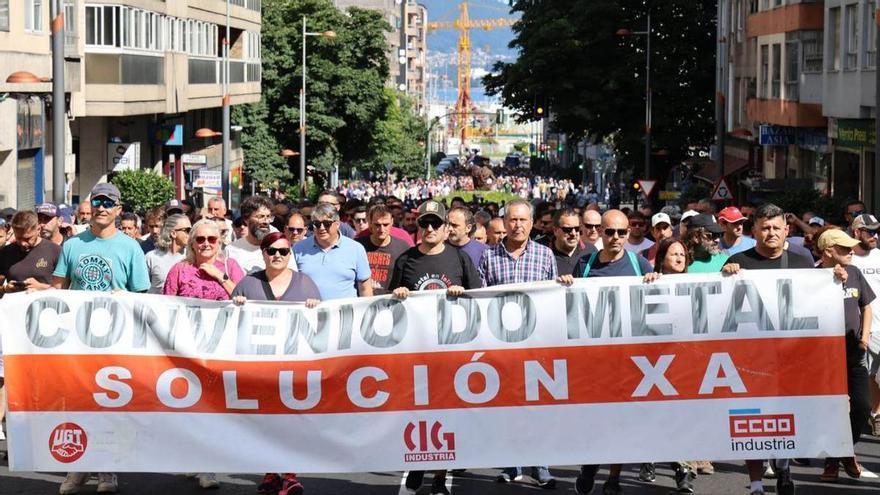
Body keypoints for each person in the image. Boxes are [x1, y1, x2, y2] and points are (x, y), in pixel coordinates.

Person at [53, 183, 150, 495]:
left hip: (116, 340)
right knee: (78, 404)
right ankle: (77, 469)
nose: (103, 207)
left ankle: (108, 470)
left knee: (109, 406)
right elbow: (58, 289)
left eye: (109, 203)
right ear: (90, 206)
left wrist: (127, 298)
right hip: (77, 340)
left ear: (119, 210)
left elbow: (142, 296)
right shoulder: (72, 245)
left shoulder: (130, 247)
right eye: (98, 202)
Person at [559, 210, 662, 495]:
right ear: (600, 234)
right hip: (594, 358)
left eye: (622, 233)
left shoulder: (638, 262)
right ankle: (590, 464)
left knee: (622, 419)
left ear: (628, 234)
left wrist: (655, 278)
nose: (616, 238)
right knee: (594, 418)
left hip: (629, 359)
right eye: (610, 232)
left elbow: (657, 296)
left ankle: (614, 477)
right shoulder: (585, 263)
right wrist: (567, 286)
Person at [389, 200, 482, 495]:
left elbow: (480, 300)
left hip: (451, 352)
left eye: (436, 224)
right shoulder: (405, 260)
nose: (429, 229)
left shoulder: (460, 260)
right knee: (418, 412)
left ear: (445, 229)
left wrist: (462, 293)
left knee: (448, 414)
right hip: (416, 350)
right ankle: (418, 462)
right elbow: (387, 305)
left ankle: (440, 475)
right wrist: (398, 294)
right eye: (424, 224)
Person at [723, 203, 813, 495]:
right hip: (750, 358)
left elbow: (815, 301)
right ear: (755, 231)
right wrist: (726, 277)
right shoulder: (738, 261)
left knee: (786, 416)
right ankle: (757, 483)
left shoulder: (802, 261)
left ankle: (784, 467)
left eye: (776, 228)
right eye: (765, 228)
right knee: (754, 420)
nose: (771, 233)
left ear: (787, 230)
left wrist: (836, 278)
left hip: (790, 356)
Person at [230, 231, 319, 495]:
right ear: (263, 254)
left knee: (291, 421)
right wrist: (236, 305)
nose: (277, 256)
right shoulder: (247, 284)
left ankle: (290, 474)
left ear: (289, 254)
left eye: (283, 251)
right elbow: (228, 325)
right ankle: (270, 472)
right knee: (265, 422)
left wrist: (315, 307)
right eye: (272, 251)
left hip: (294, 367)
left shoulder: (305, 284)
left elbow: (323, 325)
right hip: (260, 366)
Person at [480, 199, 556, 489]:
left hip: (537, 346)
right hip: (502, 347)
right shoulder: (488, 257)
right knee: (507, 408)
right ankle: (512, 464)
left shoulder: (545, 255)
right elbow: (481, 301)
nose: (518, 225)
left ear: (532, 222)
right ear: (504, 222)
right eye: (513, 220)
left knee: (537, 407)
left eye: (523, 220)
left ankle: (541, 466)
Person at [813, 229, 873, 483]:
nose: (852, 251)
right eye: (845, 248)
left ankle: (844, 451)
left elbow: (866, 306)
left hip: (853, 352)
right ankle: (834, 460)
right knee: (831, 410)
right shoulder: (811, 277)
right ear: (828, 251)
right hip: (822, 357)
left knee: (861, 407)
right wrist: (830, 281)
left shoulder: (856, 273)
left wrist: (865, 338)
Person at [294, 203, 373, 300]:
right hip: (309, 312)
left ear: (337, 224)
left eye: (327, 224)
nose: (322, 228)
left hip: (343, 313)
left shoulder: (355, 249)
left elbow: (365, 288)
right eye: (317, 224)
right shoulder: (298, 249)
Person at [849, 213, 880, 434]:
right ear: (856, 232)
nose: (875, 236)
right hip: (859, 330)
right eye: (869, 231)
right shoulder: (849, 258)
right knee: (868, 375)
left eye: (876, 231)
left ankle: (877, 414)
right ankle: (874, 413)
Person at [163, 219, 244, 301]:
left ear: (219, 242)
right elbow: (167, 304)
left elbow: (242, 296)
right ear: (192, 243)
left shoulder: (230, 265)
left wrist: (219, 275)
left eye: (211, 239)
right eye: (200, 239)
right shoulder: (179, 269)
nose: (206, 244)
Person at [226, 196, 297, 274]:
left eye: (268, 217)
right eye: (261, 217)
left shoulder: (282, 248)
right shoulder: (231, 250)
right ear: (246, 220)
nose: (266, 222)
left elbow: (293, 279)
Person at [0, 211, 61, 293]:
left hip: (45, 304)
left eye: (27, 238)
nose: (23, 243)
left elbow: (65, 289)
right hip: (15, 304)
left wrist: (41, 287)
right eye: (18, 238)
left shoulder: (55, 251)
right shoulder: (6, 252)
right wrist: (5, 289)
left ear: (38, 229)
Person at [357, 205, 410, 295]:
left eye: (385, 225)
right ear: (369, 223)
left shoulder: (403, 247)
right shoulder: (357, 246)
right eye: (377, 225)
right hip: (363, 302)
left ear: (392, 222)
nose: (381, 229)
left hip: (392, 301)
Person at [144, 214, 190, 294]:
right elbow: (142, 289)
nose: (190, 234)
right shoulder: (151, 257)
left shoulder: (192, 257)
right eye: (187, 230)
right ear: (173, 233)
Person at [551, 208, 596, 276]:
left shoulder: (591, 251)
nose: (573, 233)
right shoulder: (546, 254)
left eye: (577, 229)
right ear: (555, 231)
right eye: (568, 229)